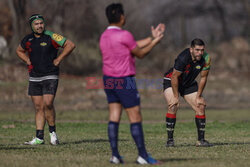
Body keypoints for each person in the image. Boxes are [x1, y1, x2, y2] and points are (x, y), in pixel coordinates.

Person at [100, 3, 165, 165]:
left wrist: (150, 37)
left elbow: (131, 45)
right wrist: (156, 41)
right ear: (121, 17)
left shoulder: (104, 36)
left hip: (108, 80)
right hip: (124, 80)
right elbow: (140, 53)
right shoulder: (124, 35)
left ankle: (115, 155)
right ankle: (142, 155)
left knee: (114, 115)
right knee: (135, 116)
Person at [16, 14, 75, 145]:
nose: (39, 26)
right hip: (34, 77)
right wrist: (26, 60)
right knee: (38, 107)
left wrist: (59, 59)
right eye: (36, 24)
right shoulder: (28, 39)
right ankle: (39, 138)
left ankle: (52, 133)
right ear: (32, 26)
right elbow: (19, 50)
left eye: (41, 23)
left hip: (50, 75)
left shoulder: (51, 36)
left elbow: (70, 45)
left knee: (48, 103)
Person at [163, 38, 212, 147]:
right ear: (191, 49)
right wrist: (176, 96)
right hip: (172, 81)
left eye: (202, 50)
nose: (200, 53)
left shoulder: (206, 58)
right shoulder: (183, 58)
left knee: (200, 106)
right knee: (173, 105)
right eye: (197, 50)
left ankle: (201, 141)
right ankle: (170, 141)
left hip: (188, 83)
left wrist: (199, 96)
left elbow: (203, 78)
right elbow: (175, 77)